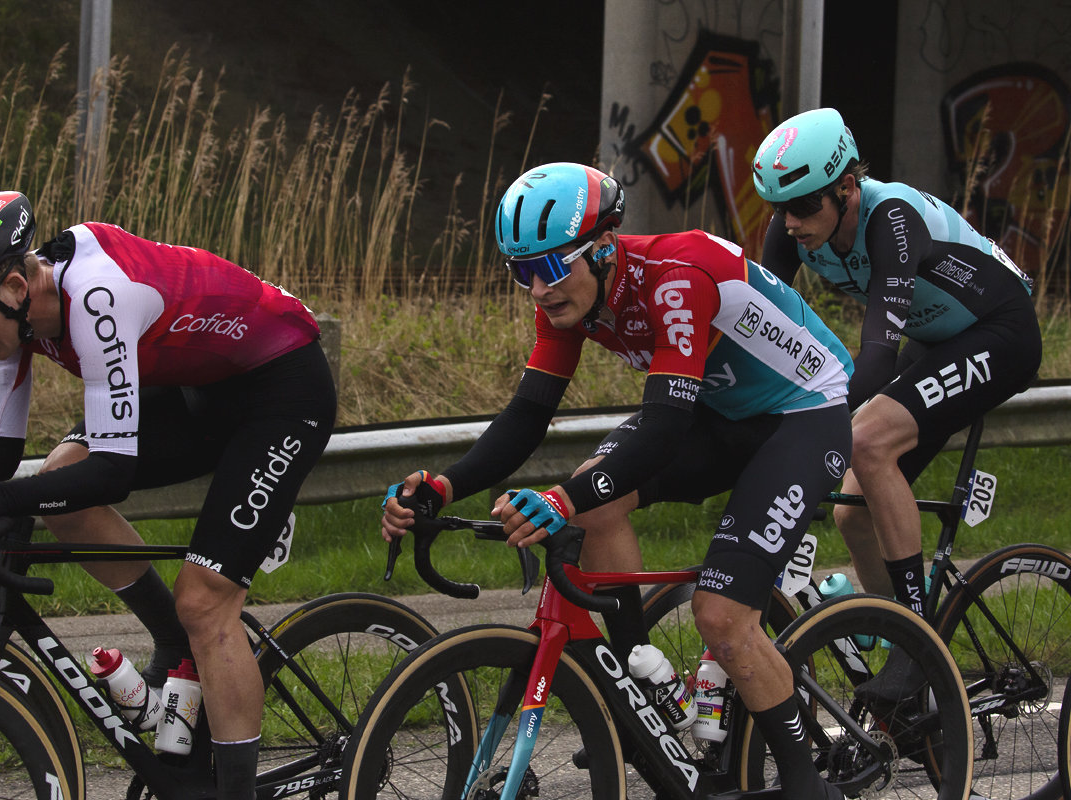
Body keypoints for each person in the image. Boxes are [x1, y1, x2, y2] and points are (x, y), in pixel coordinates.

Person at [382, 162, 852, 800]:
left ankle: (806, 783)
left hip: (803, 416)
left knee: (720, 613)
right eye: (521, 272)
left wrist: (558, 499)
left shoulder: (675, 279)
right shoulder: (568, 299)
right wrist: (443, 485)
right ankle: (644, 693)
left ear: (602, 249)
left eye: (548, 267)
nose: (537, 290)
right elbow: (527, 417)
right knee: (590, 499)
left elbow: (662, 427)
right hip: (723, 412)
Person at [0, 192, 336, 800]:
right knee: (62, 472)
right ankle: (174, 644)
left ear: (14, 287)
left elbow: (112, 474)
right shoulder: (14, 314)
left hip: (281, 391)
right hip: (203, 392)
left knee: (205, 602)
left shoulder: (95, 295)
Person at [752, 108, 1041, 617]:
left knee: (868, 439)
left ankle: (920, 646)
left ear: (845, 188)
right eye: (778, 208)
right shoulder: (793, 230)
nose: (790, 222)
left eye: (801, 204)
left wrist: (812, 422)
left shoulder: (891, 218)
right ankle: (895, 628)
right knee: (854, 514)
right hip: (938, 340)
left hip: (1001, 331)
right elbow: (756, 329)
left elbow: (878, 358)